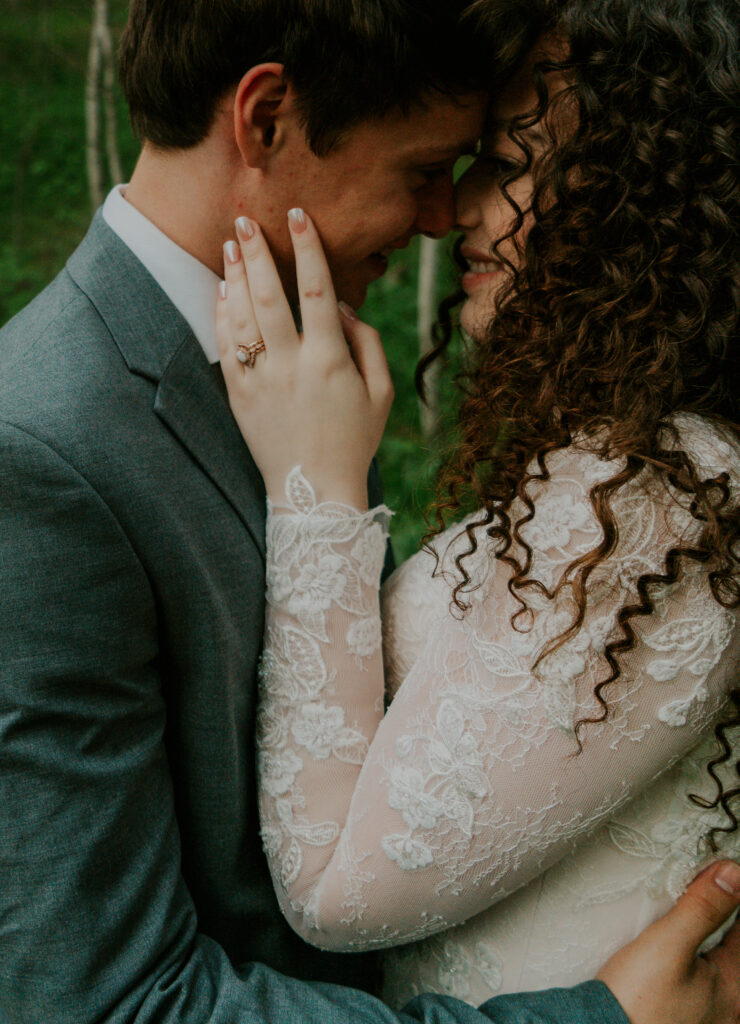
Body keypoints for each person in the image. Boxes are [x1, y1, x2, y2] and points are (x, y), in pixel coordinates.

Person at [0, 0, 737, 1021]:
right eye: (424, 168)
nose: (443, 214)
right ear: (263, 120)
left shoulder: (309, 360)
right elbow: (101, 1000)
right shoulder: (36, 452)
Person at [215, 0, 740, 1011]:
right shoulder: (628, 471)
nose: (457, 211)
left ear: (632, 200)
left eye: (505, 165)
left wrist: (316, 491)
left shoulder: (660, 502)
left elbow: (333, 892)